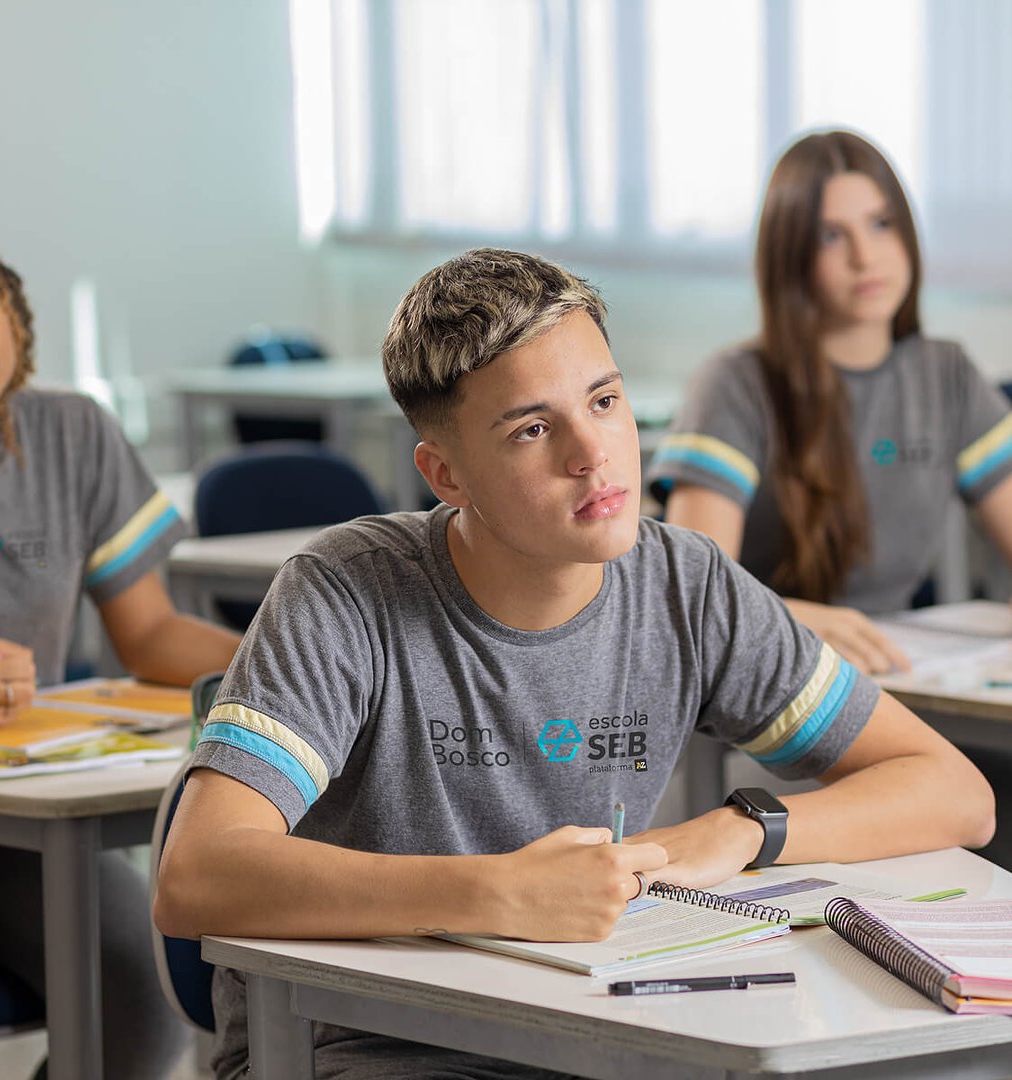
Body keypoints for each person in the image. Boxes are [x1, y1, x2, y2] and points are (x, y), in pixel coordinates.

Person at [155, 246, 994, 1080]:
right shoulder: (346, 590)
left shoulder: (685, 584)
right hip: (364, 1044)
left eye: (605, 400)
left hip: (600, 1035)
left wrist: (740, 831)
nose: (592, 454)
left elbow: (954, 791)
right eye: (532, 428)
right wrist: (497, 893)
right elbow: (196, 875)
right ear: (445, 473)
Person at [0, 205, 241, 1080]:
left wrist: (277, 665)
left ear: (12, 309)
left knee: (143, 997)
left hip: (10, 821)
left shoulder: (72, 433)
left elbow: (146, 633)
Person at [646, 128, 1012, 864]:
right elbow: (696, 586)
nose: (865, 255)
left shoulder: (946, 374)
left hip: (901, 677)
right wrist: (791, 618)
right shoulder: (739, 383)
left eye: (881, 225)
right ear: (790, 258)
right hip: (768, 695)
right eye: (831, 235)